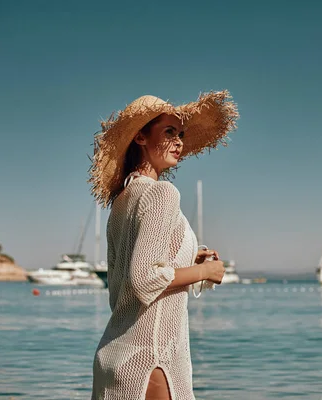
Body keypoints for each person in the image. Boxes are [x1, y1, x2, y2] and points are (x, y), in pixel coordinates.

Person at [88, 91, 239, 400]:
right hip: (152, 360)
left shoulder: (120, 202)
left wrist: (188, 256)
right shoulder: (162, 194)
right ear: (141, 137)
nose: (179, 141)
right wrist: (208, 271)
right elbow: (144, 280)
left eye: (181, 134)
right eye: (169, 132)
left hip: (116, 355)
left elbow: (126, 279)